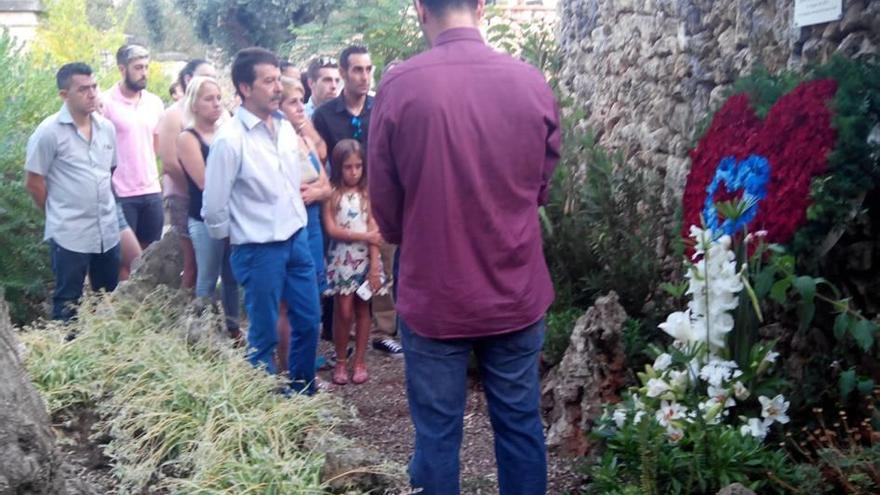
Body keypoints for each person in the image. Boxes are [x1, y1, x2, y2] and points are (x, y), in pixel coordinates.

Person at [368, 0, 561, 493]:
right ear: (480, 6)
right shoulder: (529, 81)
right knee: (520, 425)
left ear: (418, 9)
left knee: (436, 435)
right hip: (515, 288)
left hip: (436, 292)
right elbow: (541, 181)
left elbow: (386, 204)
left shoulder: (400, 85)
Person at [202, 47, 321, 395]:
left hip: (295, 240)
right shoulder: (229, 140)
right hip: (257, 249)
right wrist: (240, 241)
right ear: (244, 87)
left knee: (309, 321)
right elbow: (213, 207)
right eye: (268, 81)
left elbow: (301, 176)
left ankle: (301, 394)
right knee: (264, 335)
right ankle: (263, 409)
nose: (277, 88)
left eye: (277, 80)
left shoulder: (284, 129)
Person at [24, 62, 121, 321]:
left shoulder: (106, 128)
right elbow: (33, 181)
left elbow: (109, 172)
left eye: (94, 87)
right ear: (64, 95)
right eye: (83, 89)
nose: (92, 94)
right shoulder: (48, 133)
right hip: (69, 233)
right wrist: (56, 213)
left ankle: (107, 356)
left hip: (107, 230)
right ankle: (68, 352)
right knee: (68, 301)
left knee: (108, 299)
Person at [176, 76, 240, 339]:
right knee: (207, 277)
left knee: (232, 277)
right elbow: (205, 181)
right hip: (203, 219)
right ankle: (202, 333)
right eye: (208, 99)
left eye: (218, 98)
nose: (216, 104)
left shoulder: (227, 132)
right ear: (194, 104)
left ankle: (234, 329)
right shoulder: (187, 138)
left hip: (232, 216)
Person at [276, 75, 332, 374]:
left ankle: (305, 367)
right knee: (286, 304)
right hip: (289, 229)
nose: (301, 108)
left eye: (301, 101)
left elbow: (325, 185)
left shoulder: (305, 138)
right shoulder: (275, 141)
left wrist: (318, 191)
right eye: (293, 102)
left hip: (312, 228)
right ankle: (286, 370)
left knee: (311, 299)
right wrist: (312, 192)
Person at [323, 139, 385, 385]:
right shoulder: (332, 193)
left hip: (365, 259)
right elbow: (331, 229)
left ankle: (359, 359)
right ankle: (340, 359)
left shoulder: (367, 193)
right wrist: (364, 236)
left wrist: (375, 265)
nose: (354, 172)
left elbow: (374, 230)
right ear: (339, 167)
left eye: (358, 166)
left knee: (363, 309)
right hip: (341, 259)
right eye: (348, 167)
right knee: (344, 310)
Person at [156, 59, 217, 289]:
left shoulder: (219, 115)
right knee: (192, 263)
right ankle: (187, 318)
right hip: (184, 196)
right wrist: (195, 190)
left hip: (212, 198)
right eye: (206, 76)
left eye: (214, 76)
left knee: (209, 265)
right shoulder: (174, 114)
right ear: (189, 79)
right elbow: (170, 163)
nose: (212, 81)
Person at [102, 44, 166, 250]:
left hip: (152, 190)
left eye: (146, 67)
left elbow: (156, 143)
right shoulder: (105, 103)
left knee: (150, 256)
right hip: (121, 193)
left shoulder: (154, 103)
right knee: (124, 257)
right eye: (138, 67)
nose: (144, 73)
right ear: (122, 69)